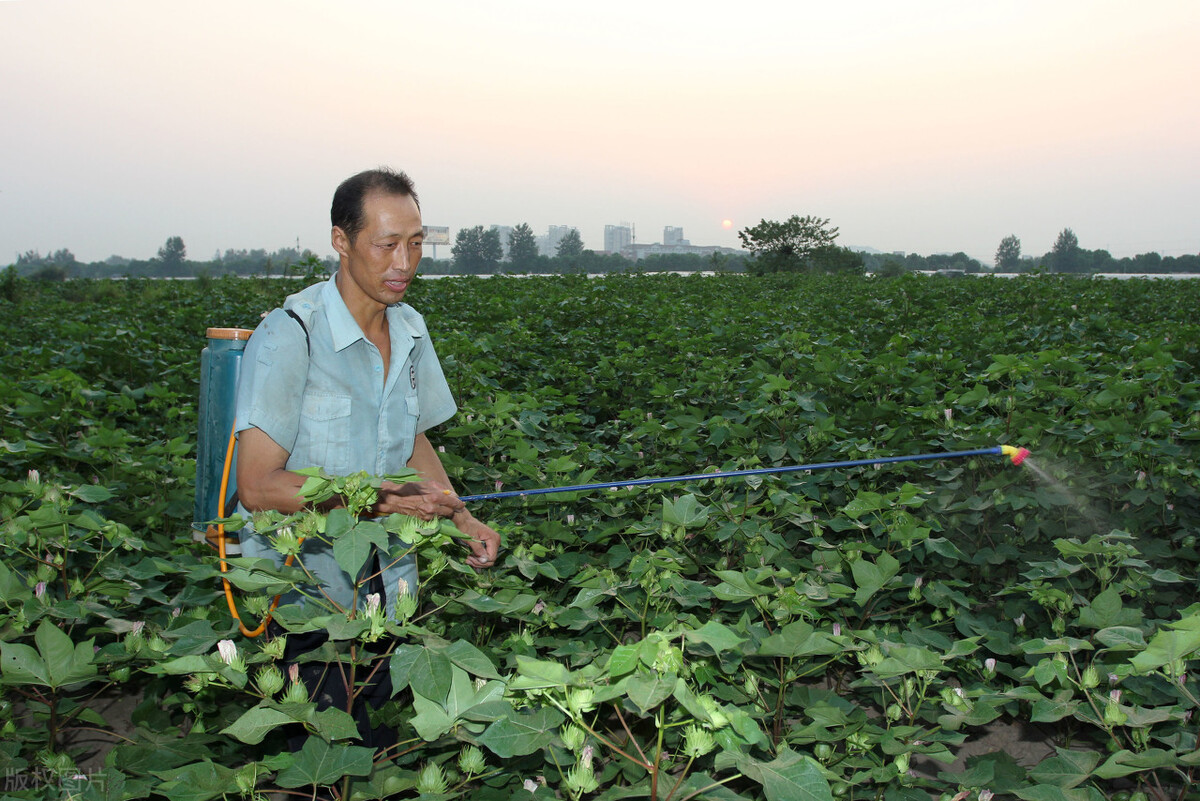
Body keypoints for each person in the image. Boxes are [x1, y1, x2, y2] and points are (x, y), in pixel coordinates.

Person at [233, 167, 500, 749]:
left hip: (387, 587)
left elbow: (411, 439)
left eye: (416, 242)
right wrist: (379, 498)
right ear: (341, 241)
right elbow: (256, 485)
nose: (404, 262)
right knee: (311, 761)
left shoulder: (409, 329)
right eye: (386, 245)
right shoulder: (289, 336)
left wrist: (460, 516)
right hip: (304, 591)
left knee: (372, 749)